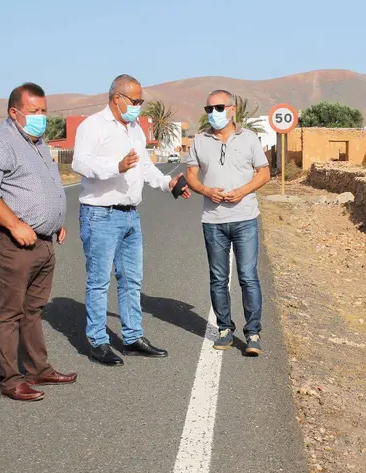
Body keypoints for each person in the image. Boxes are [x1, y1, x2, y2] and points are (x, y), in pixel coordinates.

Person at [0, 82, 76, 402]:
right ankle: (11, 379)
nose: (41, 117)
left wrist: (55, 222)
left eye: (44, 111)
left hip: (43, 241)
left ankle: (38, 368)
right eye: (34, 111)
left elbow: (41, 187)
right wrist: (16, 224)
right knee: (9, 312)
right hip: (9, 240)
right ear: (14, 112)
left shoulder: (38, 142)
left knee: (34, 309)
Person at [72, 74, 184, 366]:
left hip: (130, 215)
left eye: (141, 102)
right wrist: (115, 166)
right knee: (99, 282)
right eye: (135, 101)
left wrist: (167, 184)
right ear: (117, 98)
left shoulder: (134, 129)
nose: (138, 107)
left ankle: (133, 337)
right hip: (100, 214)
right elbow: (78, 162)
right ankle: (97, 342)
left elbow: (144, 167)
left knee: (132, 280)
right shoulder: (93, 126)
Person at [184, 89, 270, 355]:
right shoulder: (199, 140)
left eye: (219, 108)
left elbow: (264, 173)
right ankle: (224, 330)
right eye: (209, 109)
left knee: (248, 277)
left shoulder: (250, 139)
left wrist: (242, 191)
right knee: (218, 277)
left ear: (231, 109)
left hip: (245, 218)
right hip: (213, 220)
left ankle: (253, 333)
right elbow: (190, 175)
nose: (213, 114)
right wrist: (207, 191)